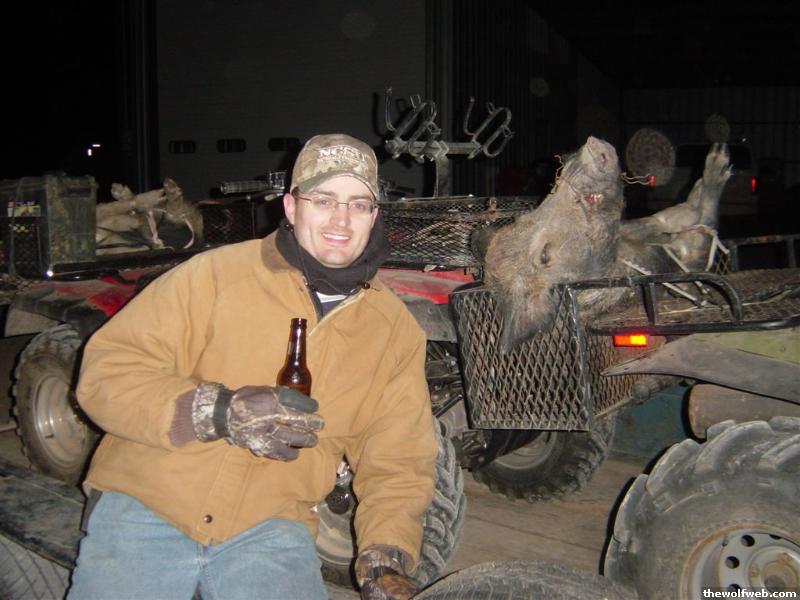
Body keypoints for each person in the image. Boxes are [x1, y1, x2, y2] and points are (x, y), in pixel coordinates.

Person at [69, 133, 438, 600]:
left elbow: (399, 457)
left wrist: (386, 552)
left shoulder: (391, 329)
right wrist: (216, 410)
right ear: (291, 207)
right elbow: (106, 373)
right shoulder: (214, 276)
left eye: (358, 204)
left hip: (271, 525)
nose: (341, 219)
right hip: (150, 499)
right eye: (324, 200)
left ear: (374, 215)